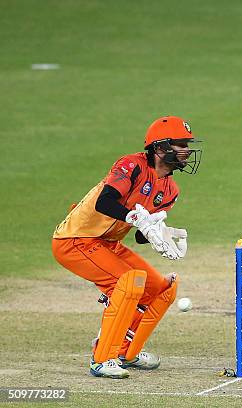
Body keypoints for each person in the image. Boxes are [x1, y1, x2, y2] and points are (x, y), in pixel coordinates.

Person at [52, 116, 201, 378]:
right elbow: (105, 203)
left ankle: (125, 352)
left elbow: (141, 235)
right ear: (160, 148)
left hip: (107, 243)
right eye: (180, 144)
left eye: (187, 144)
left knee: (161, 288)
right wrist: (134, 217)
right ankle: (103, 359)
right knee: (129, 281)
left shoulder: (170, 190)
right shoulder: (131, 165)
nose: (186, 150)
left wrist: (160, 235)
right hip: (75, 240)